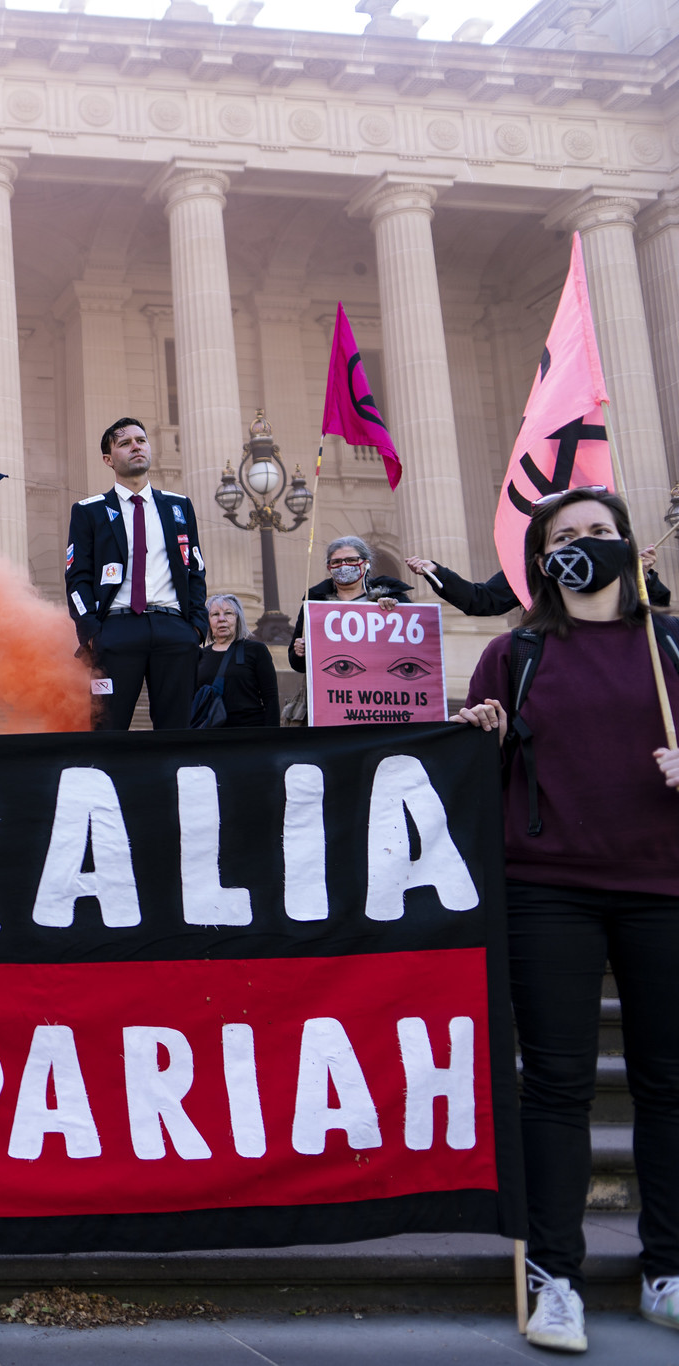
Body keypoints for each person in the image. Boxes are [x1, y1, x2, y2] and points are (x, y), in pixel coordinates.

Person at [455, 487, 679, 1353]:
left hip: (663, 886)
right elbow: (475, 772)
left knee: (668, 1086)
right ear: (542, 558)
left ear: (630, 544)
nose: (583, 545)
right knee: (555, 1090)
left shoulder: (670, 645)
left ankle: (668, 1266)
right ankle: (555, 1276)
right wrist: (482, 734)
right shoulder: (516, 654)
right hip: (548, 889)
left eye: (597, 531)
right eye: (564, 536)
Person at [64, 416, 209, 731]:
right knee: (107, 729)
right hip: (115, 629)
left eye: (141, 440)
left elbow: (195, 570)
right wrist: (91, 633)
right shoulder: (89, 511)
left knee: (176, 732)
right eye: (125, 443)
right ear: (109, 459)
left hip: (174, 629)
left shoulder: (179, 506)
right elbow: (77, 578)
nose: (136, 447)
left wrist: (196, 628)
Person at [404, 551, 671, 617]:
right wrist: (437, 572)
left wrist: (642, 574)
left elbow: (657, 609)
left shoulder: (611, 564)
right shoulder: (534, 570)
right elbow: (482, 600)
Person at [288, 535, 409, 672]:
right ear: (329, 567)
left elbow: (410, 648)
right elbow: (297, 664)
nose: (344, 566)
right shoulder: (314, 603)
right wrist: (299, 652)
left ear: (365, 563)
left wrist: (397, 610)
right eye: (337, 562)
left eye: (351, 560)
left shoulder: (391, 596)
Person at [193, 594, 279, 727]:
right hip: (211, 736)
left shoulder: (256, 650)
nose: (222, 619)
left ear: (238, 619)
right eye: (215, 614)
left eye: (228, 613)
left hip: (249, 733)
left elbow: (271, 697)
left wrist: (271, 737)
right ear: (208, 621)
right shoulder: (200, 655)